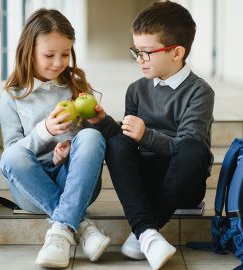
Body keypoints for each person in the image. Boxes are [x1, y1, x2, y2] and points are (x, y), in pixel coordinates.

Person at [90, 1, 214, 269]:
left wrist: (146, 135)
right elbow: (127, 140)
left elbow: (186, 147)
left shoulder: (200, 92)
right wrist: (103, 122)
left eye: (146, 52)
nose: (139, 59)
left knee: (194, 149)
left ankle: (143, 229)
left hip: (183, 182)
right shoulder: (136, 89)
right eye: (136, 51)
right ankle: (148, 235)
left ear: (177, 52)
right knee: (117, 144)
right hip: (144, 181)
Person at [0, 8, 111, 268]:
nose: (59, 62)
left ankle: (61, 229)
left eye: (65, 54)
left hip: (74, 181)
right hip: (31, 186)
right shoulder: (12, 95)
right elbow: (13, 155)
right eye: (49, 55)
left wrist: (91, 130)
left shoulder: (76, 86)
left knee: (92, 137)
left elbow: (90, 148)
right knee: (12, 155)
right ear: (29, 51)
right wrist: (45, 131)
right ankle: (80, 225)